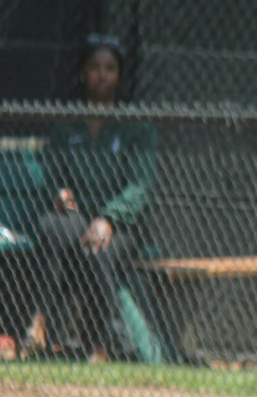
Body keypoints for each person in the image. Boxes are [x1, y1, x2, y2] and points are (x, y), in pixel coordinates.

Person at [22, 35, 156, 363]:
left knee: (97, 247)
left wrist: (108, 219)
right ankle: (37, 323)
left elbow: (139, 184)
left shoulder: (136, 124)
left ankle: (102, 346)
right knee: (52, 227)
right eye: (95, 67)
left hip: (122, 226)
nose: (102, 75)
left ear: (119, 76)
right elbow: (52, 170)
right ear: (83, 72)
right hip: (77, 215)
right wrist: (59, 192)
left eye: (110, 68)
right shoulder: (67, 121)